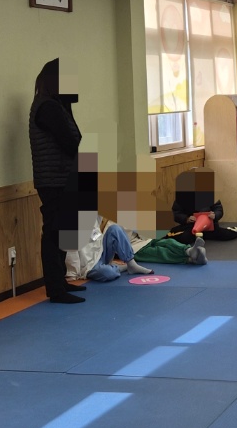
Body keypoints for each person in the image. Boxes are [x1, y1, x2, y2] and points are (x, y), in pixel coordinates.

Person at [29, 59, 86, 303]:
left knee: (61, 232)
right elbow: (70, 142)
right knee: (54, 233)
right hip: (53, 181)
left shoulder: (56, 106)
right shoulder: (48, 108)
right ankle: (55, 288)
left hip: (59, 178)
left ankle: (59, 282)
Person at [65, 217, 157, 282]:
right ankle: (119, 268)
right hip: (87, 267)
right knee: (108, 273)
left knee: (115, 229)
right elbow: (70, 253)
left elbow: (96, 234)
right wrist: (73, 273)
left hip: (100, 253)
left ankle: (131, 264)